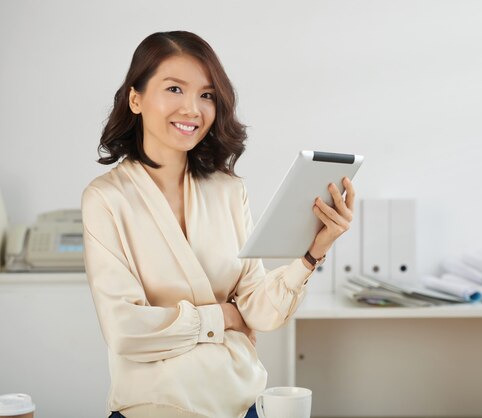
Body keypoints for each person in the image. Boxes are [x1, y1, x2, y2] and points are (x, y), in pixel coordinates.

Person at [81, 31, 355, 418]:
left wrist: (313, 252)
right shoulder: (106, 198)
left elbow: (259, 311)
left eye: (206, 95)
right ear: (135, 98)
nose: (192, 108)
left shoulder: (229, 190)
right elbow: (126, 332)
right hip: (152, 409)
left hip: (242, 405)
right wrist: (223, 316)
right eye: (174, 89)